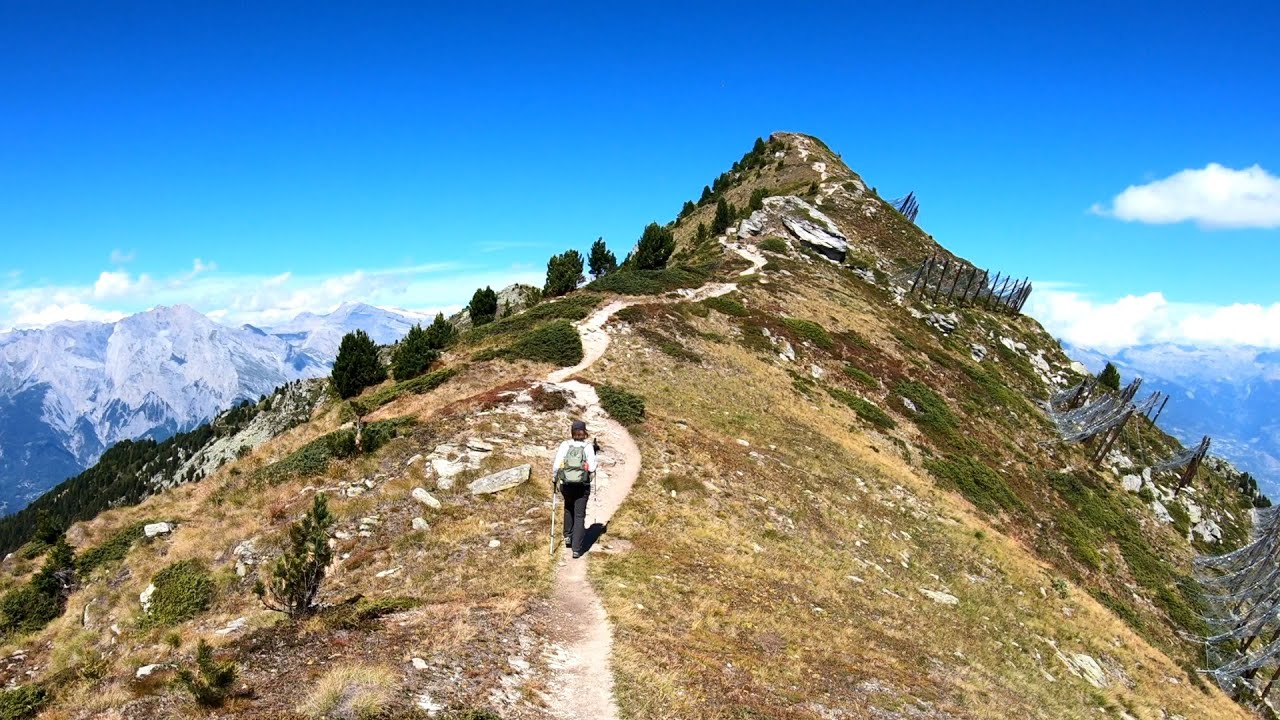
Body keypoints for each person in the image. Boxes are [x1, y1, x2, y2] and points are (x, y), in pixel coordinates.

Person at [552, 420, 598, 558]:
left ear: (572, 432)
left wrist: (554, 478)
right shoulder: (588, 447)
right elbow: (592, 467)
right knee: (579, 515)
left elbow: (557, 465)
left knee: (568, 508)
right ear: (584, 432)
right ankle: (577, 549)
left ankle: (567, 536)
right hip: (582, 485)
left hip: (566, 484)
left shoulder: (565, 445)